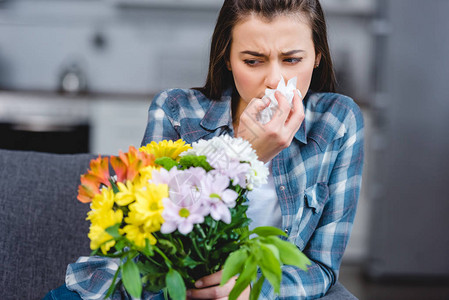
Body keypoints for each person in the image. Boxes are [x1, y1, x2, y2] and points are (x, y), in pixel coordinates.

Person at [44, 0, 364, 299]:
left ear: (318, 56)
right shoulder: (175, 112)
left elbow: (321, 268)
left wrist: (256, 289)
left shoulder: (337, 122)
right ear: (227, 57)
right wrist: (246, 154)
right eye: (252, 61)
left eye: (293, 60)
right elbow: (150, 243)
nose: (274, 80)